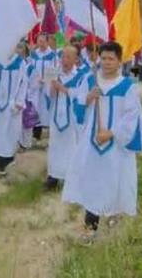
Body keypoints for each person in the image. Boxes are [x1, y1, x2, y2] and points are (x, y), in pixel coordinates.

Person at [61, 41, 142, 242]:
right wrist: (87, 99)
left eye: (111, 58)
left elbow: (131, 117)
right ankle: (90, 227)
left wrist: (110, 133)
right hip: (91, 145)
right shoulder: (90, 80)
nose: (107, 62)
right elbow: (77, 107)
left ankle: (112, 213)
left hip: (115, 146)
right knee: (93, 181)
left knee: (113, 180)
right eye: (103, 58)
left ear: (120, 62)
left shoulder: (127, 87)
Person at [45, 46, 85, 190]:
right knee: (54, 145)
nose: (65, 60)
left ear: (76, 59)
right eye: (63, 57)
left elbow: (81, 95)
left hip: (71, 118)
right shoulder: (54, 72)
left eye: (69, 57)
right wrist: (52, 88)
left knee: (70, 146)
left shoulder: (80, 76)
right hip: (56, 117)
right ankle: (52, 177)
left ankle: (70, 178)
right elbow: (48, 95)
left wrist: (63, 88)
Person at [0, 47, 28, 176]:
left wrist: (19, 101)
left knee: (10, 130)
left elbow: (23, 83)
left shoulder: (20, 63)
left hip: (11, 104)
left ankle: (8, 158)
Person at [29, 33, 58, 142]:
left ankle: (50, 135)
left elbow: (54, 70)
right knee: (35, 108)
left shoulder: (52, 56)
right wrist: (35, 79)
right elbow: (30, 68)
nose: (40, 44)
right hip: (35, 87)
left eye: (42, 41)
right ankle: (36, 134)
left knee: (46, 109)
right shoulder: (33, 55)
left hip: (47, 87)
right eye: (39, 41)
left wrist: (46, 80)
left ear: (47, 42)